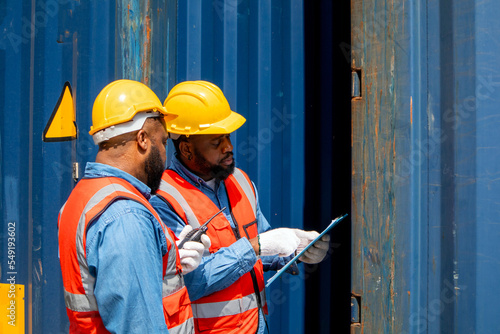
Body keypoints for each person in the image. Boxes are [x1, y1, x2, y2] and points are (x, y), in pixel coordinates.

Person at [150, 80, 331, 333]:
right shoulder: (163, 200)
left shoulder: (241, 183)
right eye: (216, 141)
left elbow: (263, 247)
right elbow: (188, 282)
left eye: (228, 136)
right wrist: (257, 246)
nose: (229, 147)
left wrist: (295, 251)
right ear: (187, 149)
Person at [58, 79, 210, 334]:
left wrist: (164, 258)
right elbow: (138, 326)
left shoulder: (83, 197)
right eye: (162, 142)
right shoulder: (126, 215)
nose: (165, 154)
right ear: (142, 139)